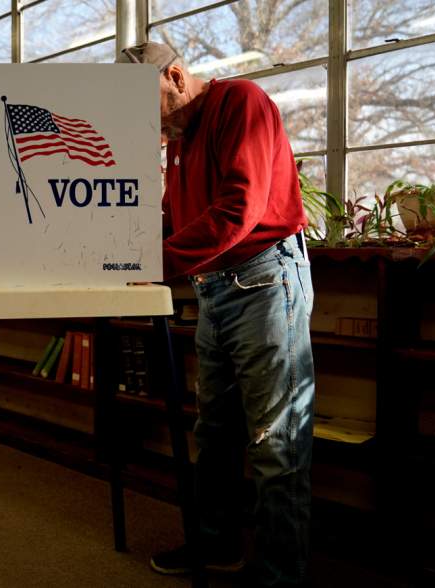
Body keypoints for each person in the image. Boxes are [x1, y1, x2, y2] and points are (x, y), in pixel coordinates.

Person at [118, 42, 316, 587]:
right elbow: (171, 219)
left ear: (175, 76)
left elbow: (239, 208)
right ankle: (217, 544)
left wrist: (154, 265)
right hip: (214, 289)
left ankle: (280, 574)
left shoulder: (241, 102)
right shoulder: (179, 140)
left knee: (276, 440)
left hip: (264, 280)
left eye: (140, 107)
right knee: (217, 432)